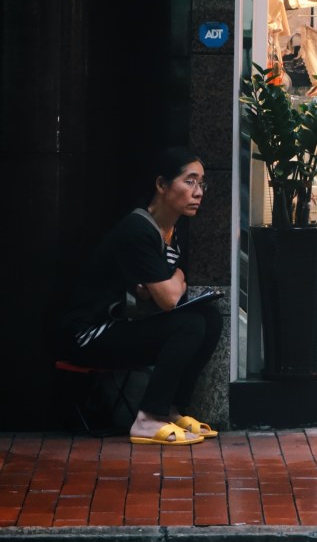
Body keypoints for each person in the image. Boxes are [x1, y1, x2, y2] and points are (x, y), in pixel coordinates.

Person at [57, 147, 223, 446]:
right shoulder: (138, 229)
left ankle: (171, 410)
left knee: (210, 318)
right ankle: (148, 418)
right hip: (90, 335)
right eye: (190, 181)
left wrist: (173, 281)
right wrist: (175, 279)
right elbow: (170, 299)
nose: (199, 192)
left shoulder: (172, 229)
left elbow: (169, 286)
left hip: (122, 326)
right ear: (161, 185)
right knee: (189, 324)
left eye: (202, 184)